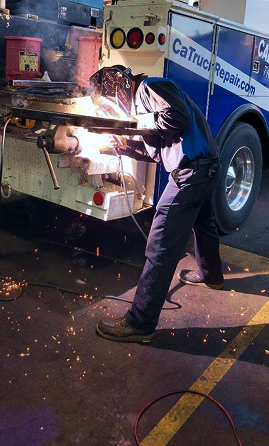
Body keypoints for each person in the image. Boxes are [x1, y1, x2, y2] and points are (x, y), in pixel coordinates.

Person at [95, 68, 223, 343]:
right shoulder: (151, 103)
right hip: (207, 170)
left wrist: (137, 121)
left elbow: (178, 117)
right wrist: (122, 147)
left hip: (191, 176)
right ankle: (212, 275)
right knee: (204, 222)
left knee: (161, 245)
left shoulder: (150, 87)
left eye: (111, 102)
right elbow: (157, 152)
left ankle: (140, 323)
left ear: (119, 87)